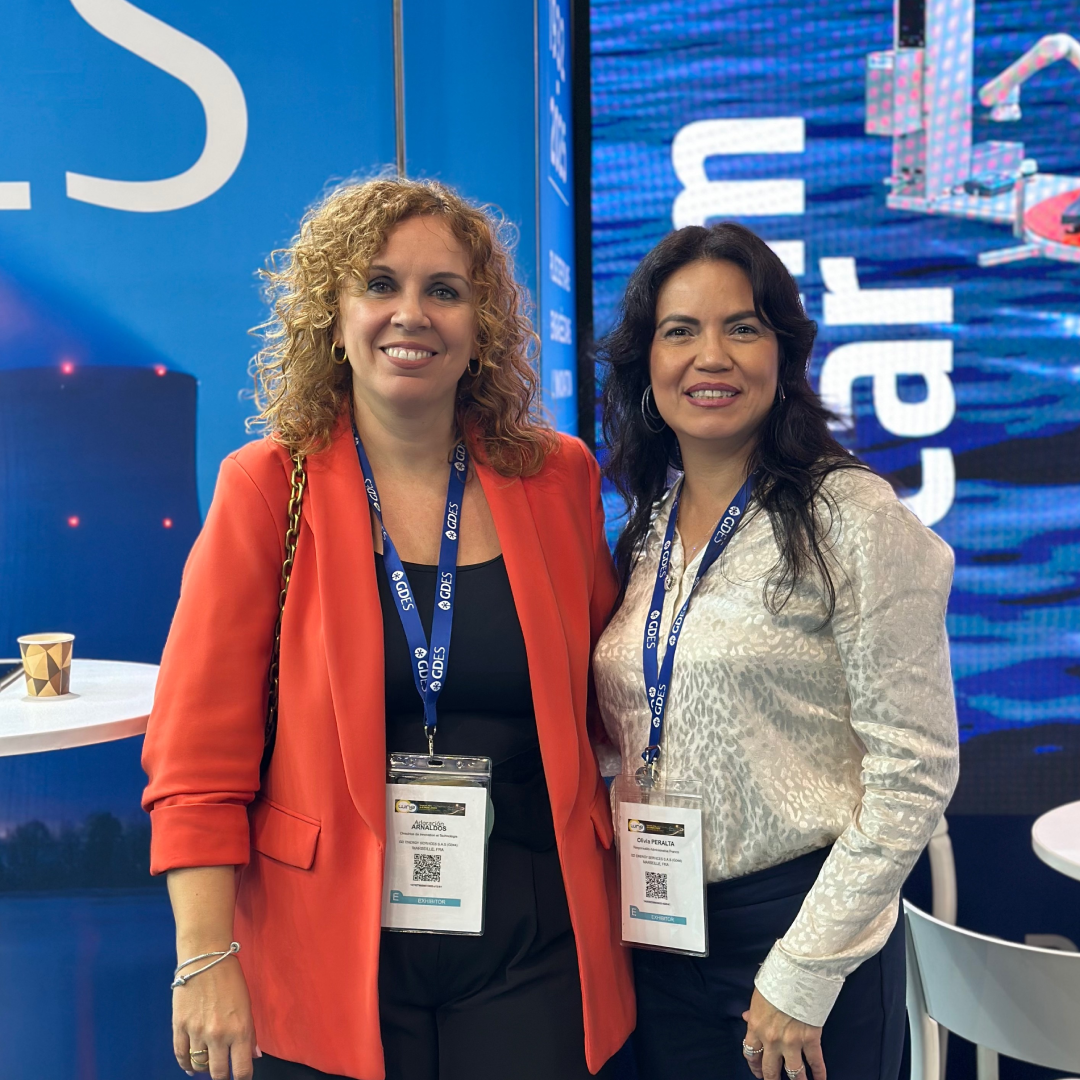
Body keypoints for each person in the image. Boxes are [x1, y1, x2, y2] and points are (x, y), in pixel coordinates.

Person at [142, 176, 633, 1080]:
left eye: (444, 290)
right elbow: (197, 760)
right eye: (379, 284)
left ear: (482, 327)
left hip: (534, 935)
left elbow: (618, 695)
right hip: (325, 941)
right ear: (334, 319)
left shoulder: (558, 479)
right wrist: (204, 957)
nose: (412, 314)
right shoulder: (267, 488)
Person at [592, 222, 958, 1080]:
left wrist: (805, 968)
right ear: (647, 361)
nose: (710, 357)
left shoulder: (852, 519)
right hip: (660, 933)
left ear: (783, 354)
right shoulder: (646, 529)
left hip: (801, 933)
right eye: (680, 331)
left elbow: (916, 768)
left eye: (742, 328)